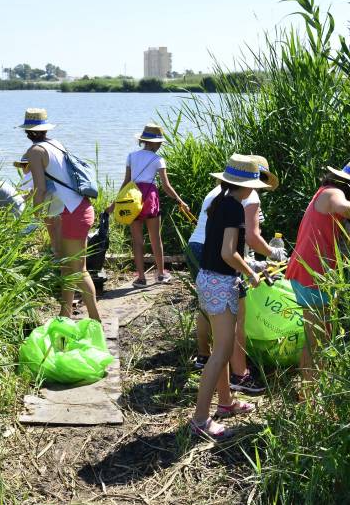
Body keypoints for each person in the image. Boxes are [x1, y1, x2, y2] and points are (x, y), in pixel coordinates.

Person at [186, 155, 285, 394]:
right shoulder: (241, 201)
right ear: (253, 181)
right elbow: (236, 247)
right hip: (222, 273)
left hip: (201, 259)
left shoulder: (219, 197)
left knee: (210, 320)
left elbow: (225, 244)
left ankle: (215, 379)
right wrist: (256, 266)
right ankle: (238, 377)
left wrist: (249, 263)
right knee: (230, 332)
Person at [284, 159, 350, 388]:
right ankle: (309, 394)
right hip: (313, 274)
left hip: (314, 274)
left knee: (320, 335)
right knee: (315, 339)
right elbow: (343, 207)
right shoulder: (332, 193)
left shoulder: (323, 193)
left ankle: (313, 389)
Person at [17, 108, 100, 321]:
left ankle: (95, 319)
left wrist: (35, 215)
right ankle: (65, 314)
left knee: (78, 269)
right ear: (45, 129)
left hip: (72, 213)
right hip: (76, 208)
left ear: (27, 131)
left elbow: (40, 188)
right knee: (66, 267)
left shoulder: (36, 151)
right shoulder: (55, 144)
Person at [111, 123, 188, 288]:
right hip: (149, 198)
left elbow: (126, 182)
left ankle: (141, 278)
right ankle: (161, 275)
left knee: (137, 240)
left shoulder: (131, 156)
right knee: (155, 238)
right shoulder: (158, 160)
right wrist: (180, 201)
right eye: (159, 142)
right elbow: (166, 186)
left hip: (132, 197)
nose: (160, 145)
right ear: (153, 143)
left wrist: (115, 203)